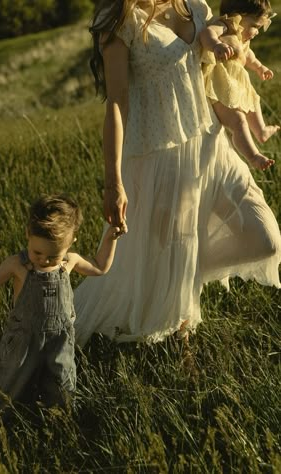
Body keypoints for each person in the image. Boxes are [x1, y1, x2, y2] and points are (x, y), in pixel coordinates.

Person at [73, 0, 281, 346]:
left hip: (211, 143)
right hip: (160, 156)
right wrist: (113, 183)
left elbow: (223, 53)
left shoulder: (194, 4)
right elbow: (116, 103)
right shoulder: (118, 19)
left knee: (266, 240)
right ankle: (181, 353)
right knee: (175, 272)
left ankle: (176, 270)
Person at [0, 194, 122, 411]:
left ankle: (59, 419)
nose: (43, 260)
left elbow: (99, 266)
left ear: (70, 244)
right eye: (37, 252)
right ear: (28, 235)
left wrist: (110, 239)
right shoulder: (18, 265)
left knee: (62, 383)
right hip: (23, 338)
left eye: (53, 256)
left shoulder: (69, 261)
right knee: (10, 380)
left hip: (60, 338)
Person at [199, 0, 278, 171]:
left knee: (254, 100)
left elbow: (248, 54)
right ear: (238, 15)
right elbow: (207, 33)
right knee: (239, 121)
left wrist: (259, 67)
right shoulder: (228, 25)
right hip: (219, 88)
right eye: (255, 26)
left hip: (237, 85)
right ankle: (253, 156)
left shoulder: (243, 37)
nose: (257, 32)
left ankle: (261, 131)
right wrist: (216, 45)